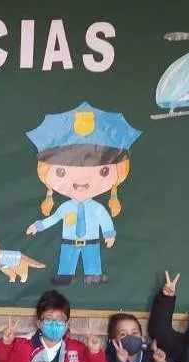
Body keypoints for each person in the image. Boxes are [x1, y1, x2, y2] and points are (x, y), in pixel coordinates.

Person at [24, 103, 141, 285]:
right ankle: (64, 275)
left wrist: (109, 234)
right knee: (67, 260)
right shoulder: (66, 207)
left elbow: (105, 220)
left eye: (103, 171)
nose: (82, 181)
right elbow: (53, 219)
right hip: (69, 242)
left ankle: (93, 275)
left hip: (92, 242)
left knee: (92, 260)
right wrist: (38, 226)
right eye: (61, 171)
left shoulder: (97, 208)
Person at [0, 290, 107, 362]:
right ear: (38, 323)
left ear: (67, 324)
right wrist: (6, 344)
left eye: (60, 319)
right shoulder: (21, 345)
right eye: (48, 319)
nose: (54, 324)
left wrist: (95, 353)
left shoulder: (78, 349)